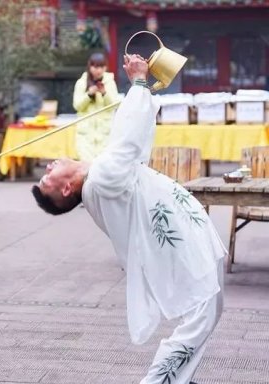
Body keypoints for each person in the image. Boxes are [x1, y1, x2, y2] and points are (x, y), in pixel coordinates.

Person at [33, 55, 225, 384]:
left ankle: (179, 378)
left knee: (207, 308)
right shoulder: (99, 182)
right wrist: (137, 83)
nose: (49, 165)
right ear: (67, 189)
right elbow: (127, 142)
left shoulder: (99, 174)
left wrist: (141, 89)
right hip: (178, 247)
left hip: (185, 236)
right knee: (201, 311)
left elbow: (132, 143)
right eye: (48, 177)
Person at [72, 52, 119, 162]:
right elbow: (77, 106)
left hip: (104, 134)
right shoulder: (81, 83)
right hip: (85, 135)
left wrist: (104, 93)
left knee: (103, 167)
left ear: (105, 67)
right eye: (95, 66)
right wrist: (89, 94)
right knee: (86, 167)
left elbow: (114, 105)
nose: (98, 70)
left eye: (101, 67)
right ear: (90, 66)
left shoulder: (110, 83)